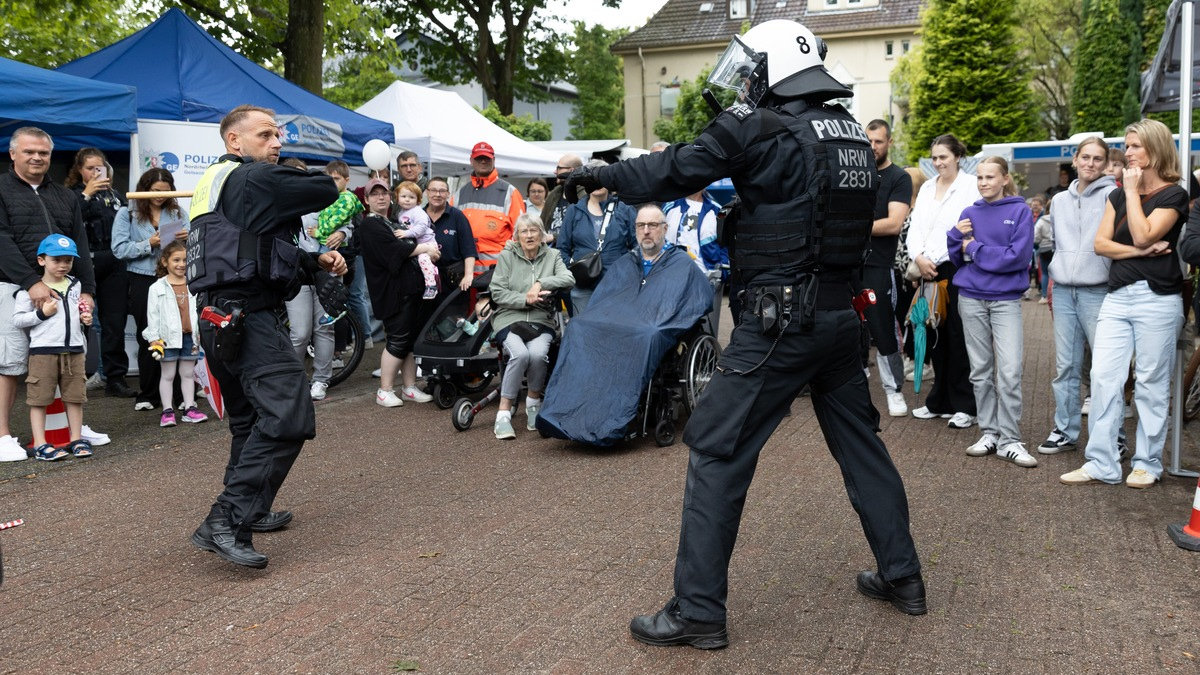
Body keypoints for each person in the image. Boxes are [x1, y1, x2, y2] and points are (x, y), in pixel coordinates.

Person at [565, 19, 926, 647]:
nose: (746, 80)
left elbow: (674, 170)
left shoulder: (758, 126)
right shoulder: (847, 131)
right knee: (863, 448)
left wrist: (603, 175)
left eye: (753, 68)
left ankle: (698, 610)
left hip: (778, 322)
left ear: (776, 68)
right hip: (842, 320)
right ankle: (905, 578)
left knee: (715, 449)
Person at [187, 104, 344, 569]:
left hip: (218, 318)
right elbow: (323, 187)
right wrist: (308, 173)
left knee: (248, 421)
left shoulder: (214, 185)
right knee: (288, 414)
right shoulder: (251, 179)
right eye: (266, 135)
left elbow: (245, 249)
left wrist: (311, 263)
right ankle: (226, 519)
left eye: (278, 135)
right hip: (249, 320)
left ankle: (250, 509)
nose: (277, 143)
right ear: (234, 141)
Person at [1060, 119, 1188, 489]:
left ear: (1155, 150)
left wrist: (1132, 194)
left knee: (1150, 383)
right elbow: (1102, 244)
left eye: (1135, 146)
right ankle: (1102, 462)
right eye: (1127, 146)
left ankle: (1147, 463)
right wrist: (1140, 251)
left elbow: (1145, 229)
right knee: (1103, 378)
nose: (1127, 153)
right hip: (1117, 296)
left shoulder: (1172, 195)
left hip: (1157, 298)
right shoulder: (1116, 195)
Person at [0, 127, 97, 462]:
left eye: (43, 152)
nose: (37, 158)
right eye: (29, 152)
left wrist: (89, 290)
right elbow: (1, 240)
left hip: (66, 291)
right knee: (10, 363)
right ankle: (3, 436)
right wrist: (31, 281)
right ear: (13, 154)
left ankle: (73, 431)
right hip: (12, 287)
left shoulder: (66, 196)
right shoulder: (0, 188)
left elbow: (79, 245)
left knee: (69, 360)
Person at [946, 157, 1035, 467]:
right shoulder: (969, 213)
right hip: (970, 297)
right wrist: (956, 238)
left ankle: (1010, 439)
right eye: (980, 177)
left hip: (1005, 300)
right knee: (981, 371)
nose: (983, 182)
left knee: (1009, 371)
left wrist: (974, 250)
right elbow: (956, 260)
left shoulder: (1021, 211)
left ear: (1005, 179)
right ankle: (990, 433)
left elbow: (1017, 257)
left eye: (990, 177)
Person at [1038, 137, 1118, 456]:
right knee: (1065, 366)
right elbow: (1054, 241)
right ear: (1075, 160)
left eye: (1098, 159)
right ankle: (1065, 429)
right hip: (1065, 289)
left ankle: (1111, 435)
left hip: (1098, 289)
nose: (1090, 164)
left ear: (1104, 163)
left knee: (1103, 367)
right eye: (1085, 157)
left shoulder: (1114, 194)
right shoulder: (1059, 200)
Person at [905, 134, 981, 428]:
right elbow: (915, 227)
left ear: (957, 156)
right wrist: (919, 258)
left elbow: (969, 227)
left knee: (958, 337)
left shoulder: (970, 186)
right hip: (926, 269)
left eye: (943, 157)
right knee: (932, 334)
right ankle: (939, 401)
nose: (938, 163)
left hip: (956, 267)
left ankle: (966, 404)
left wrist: (934, 257)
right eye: (935, 158)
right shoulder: (926, 187)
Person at [488, 214, 574, 440]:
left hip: (540, 319)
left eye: (533, 230)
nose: (529, 235)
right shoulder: (507, 255)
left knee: (538, 355)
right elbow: (497, 292)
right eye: (524, 231)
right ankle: (503, 413)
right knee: (520, 354)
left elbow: (568, 278)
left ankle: (533, 403)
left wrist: (541, 283)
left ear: (542, 234)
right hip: (509, 317)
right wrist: (525, 299)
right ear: (516, 236)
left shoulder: (552, 255)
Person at [112, 168, 190, 411]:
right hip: (142, 279)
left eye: (165, 192)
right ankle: (148, 394)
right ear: (143, 189)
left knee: (177, 335)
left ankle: (179, 395)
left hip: (175, 279)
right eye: (155, 191)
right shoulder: (127, 214)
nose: (159, 196)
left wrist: (188, 238)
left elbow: (191, 247)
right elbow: (119, 249)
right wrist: (150, 243)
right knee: (149, 335)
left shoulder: (177, 212)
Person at [358, 178, 439, 407]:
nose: (381, 197)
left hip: (410, 290)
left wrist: (429, 251)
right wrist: (426, 249)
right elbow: (396, 250)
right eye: (374, 194)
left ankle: (409, 387)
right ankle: (384, 390)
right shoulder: (370, 225)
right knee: (397, 339)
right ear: (366, 200)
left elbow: (412, 241)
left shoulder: (393, 222)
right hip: (392, 293)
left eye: (384, 193)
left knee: (410, 340)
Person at [12, 235, 94, 460]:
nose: (63, 265)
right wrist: (41, 314)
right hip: (43, 351)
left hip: (75, 350)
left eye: (68, 260)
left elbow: (77, 311)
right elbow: (18, 320)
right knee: (39, 399)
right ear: (41, 260)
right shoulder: (30, 290)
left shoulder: (76, 285)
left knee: (75, 397)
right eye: (56, 260)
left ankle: (76, 439)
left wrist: (84, 317)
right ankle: (40, 443)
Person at [66, 148, 133, 397]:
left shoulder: (115, 196)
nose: (95, 173)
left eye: (100, 168)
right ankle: (79, 376)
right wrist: (85, 196)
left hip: (114, 261)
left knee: (114, 322)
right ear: (79, 170)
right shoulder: (71, 195)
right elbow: (66, 224)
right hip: (86, 262)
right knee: (84, 323)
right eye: (89, 168)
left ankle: (115, 378)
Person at [287, 159, 357, 401]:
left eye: (302, 175)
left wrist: (342, 232)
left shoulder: (320, 199)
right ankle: (292, 380)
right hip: (297, 277)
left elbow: (346, 222)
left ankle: (320, 381)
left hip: (325, 274)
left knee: (324, 329)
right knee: (300, 333)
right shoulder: (281, 204)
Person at [859, 119, 913, 417]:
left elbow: (893, 224)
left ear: (888, 142)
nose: (872, 146)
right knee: (850, 330)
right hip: (848, 265)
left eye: (878, 141)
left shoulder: (898, 177)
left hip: (879, 266)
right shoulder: (856, 174)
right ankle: (856, 386)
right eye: (868, 140)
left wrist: (855, 228)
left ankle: (894, 390)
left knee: (883, 330)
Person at [557, 160, 636, 315]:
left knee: (614, 329)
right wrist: (573, 274)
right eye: (591, 178)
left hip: (617, 284)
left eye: (600, 178)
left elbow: (636, 245)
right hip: (582, 285)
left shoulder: (624, 209)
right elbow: (562, 248)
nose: (596, 183)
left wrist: (627, 271)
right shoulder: (575, 210)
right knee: (583, 329)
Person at [143, 241, 207, 427]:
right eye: (176, 260)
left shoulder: (194, 284)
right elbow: (152, 315)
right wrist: (154, 338)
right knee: (168, 375)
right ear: (165, 262)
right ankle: (167, 411)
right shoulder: (157, 288)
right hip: (166, 339)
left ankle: (189, 408)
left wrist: (201, 333)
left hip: (190, 337)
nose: (181, 264)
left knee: (188, 373)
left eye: (185, 260)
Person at [454, 142, 525, 272]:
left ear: (494, 160)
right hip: (465, 273)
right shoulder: (460, 194)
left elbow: (521, 234)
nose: (483, 161)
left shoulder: (510, 192)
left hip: (498, 274)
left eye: (486, 158)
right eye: (478, 158)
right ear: (471, 160)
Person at [426, 176, 477, 293]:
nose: (437, 194)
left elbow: (469, 249)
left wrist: (468, 275)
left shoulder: (458, 217)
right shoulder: (419, 216)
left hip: (453, 281)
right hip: (425, 281)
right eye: (433, 190)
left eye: (442, 191)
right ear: (426, 192)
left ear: (448, 194)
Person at [393, 181, 441, 299]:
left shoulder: (418, 212)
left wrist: (406, 233)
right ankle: (432, 271)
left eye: (412, 197)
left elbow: (421, 227)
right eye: (404, 196)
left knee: (423, 258)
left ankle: (431, 286)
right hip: (418, 245)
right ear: (397, 198)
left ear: (418, 200)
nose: (407, 200)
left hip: (428, 243)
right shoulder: (400, 213)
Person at [541, 153, 584, 246]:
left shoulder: (585, 196)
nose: (555, 172)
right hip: (548, 252)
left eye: (558, 168)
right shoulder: (555, 193)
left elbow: (582, 231)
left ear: (571, 170)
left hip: (571, 252)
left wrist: (554, 237)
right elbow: (542, 221)